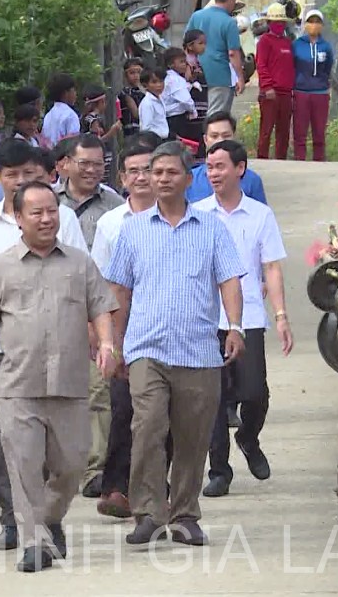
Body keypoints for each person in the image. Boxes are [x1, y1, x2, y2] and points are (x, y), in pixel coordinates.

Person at [0, 181, 118, 572]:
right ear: (19, 218)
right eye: (37, 212)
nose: (47, 218)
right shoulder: (1, 266)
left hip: (70, 384)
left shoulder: (79, 263)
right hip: (18, 386)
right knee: (24, 465)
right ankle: (33, 543)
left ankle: (49, 519)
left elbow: (101, 308)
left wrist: (107, 345)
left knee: (71, 466)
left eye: (52, 211)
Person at [104, 140, 246, 546]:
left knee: (192, 436)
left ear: (188, 178)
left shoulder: (212, 227)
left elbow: (229, 279)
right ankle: (148, 511)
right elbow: (119, 291)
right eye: (156, 172)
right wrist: (114, 343)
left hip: (200, 349)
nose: (161, 179)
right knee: (146, 428)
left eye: (170, 172)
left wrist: (234, 325)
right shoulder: (132, 230)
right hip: (146, 348)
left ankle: (185, 514)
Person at [0, 139, 88, 551]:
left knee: (63, 451)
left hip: (61, 352)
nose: (19, 180)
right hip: (4, 353)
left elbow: (85, 283)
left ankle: (49, 517)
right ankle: (15, 522)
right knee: (8, 445)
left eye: (28, 172)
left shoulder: (63, 219)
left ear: (44, 174)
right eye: (10, 174)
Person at [193, 140, 292, 497]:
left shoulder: (260, 215)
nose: (213, 173)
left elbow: (272, 267)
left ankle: (248, 439)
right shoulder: (198, 214)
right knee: (214, 399)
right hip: (207, 319)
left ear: (240, 169)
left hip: (248, 314)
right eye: (209, 167)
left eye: (220, 166)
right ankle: (219, 470)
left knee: (255, 393)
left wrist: (280, 315)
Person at [91, 141, 160, 519]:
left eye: (148, 168)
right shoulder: (111, 224)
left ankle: (156, 490)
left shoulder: (181, 218)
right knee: (123, 409)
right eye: (132, 171)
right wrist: (103, 338)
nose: (141, 177)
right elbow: (99, 283)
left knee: (160, 415)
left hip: (164, 327)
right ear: (122, 179)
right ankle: (116, 488)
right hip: (123, 328)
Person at [52, 133, 123, 497]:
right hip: (54, 312)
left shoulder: (115, 206)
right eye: (85, 163)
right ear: (64, 164)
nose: (93, 170)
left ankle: (95, 469)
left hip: (97, 309)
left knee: (98, 391)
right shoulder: (45, 204)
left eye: (100, 164)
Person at [185, 0, 245, 116]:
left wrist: (189, 68)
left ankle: (203, 136)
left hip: (198, 76)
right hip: (220, 76)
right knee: (217, 116)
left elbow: (186, 44)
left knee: (200, 113)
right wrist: (240, 78)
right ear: (230, 0)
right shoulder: (229, 22)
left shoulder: (196, 16)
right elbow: (233, 53)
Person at [188, 112, 268, 204]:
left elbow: (260, 214)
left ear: (234, 137)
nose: (220, 141)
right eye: (214, 136)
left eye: (226, 136)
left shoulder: (252, 180)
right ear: (205, 140)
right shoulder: (190, 179)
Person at [292, 9, 334, 162]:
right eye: (311, 21)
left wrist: (323, 83)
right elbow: (293, 65)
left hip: (320, 93)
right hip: (301, 91)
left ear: (322, 25)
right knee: (300, 130)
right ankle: (299, 160)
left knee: (319, 131)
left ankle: (319, 161)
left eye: (317, 22)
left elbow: (328, 66)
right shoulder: (297, 45)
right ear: (305, 24)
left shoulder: (326, 46)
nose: (314, 25)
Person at [255, 3, 296, 160]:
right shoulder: (264, 41)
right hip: (270, 93)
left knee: (283, 130)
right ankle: (262, 158)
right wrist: (267, 87)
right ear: (269, 23)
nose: (279, 25)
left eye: (281, 22)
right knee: (266, 129)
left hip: (286, 93)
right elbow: (261, 65)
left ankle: (281, 159)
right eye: (275, 22)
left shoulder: (287, 42)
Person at [79, 86, 122, 179]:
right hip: (97, 154)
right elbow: (96, 141)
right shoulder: (92, 119)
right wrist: (111, 132)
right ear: (101, 102)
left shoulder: (91, 117)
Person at [161, 47, 199, 145]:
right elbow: (185, 100)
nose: (185, 64)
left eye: (185, 61)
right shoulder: (175, 79)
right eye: (181, 62)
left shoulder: (168, 77)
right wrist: (193, 110)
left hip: (168, 117)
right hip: (176, 118)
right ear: (170, 64)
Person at [42, 73, 80, 146]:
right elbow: (74, 142)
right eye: (74, 90)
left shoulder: (48, 115)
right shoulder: (70, 115)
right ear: (65, 93)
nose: (76, 94)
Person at [138, 69, 169, 140]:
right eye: (154, 82)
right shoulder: (147, 103)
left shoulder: (160, 99)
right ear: (145, 85)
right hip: (153, 141)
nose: (159, 85)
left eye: (161, 81)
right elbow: (146, 128)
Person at [119, 58, 145, 137]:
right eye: (132, 73)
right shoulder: (125, 92)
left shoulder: (145, 90)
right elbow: (136, 114)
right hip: (132, 128)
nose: (136, 76)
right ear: (126, 75)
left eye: (139, 72)